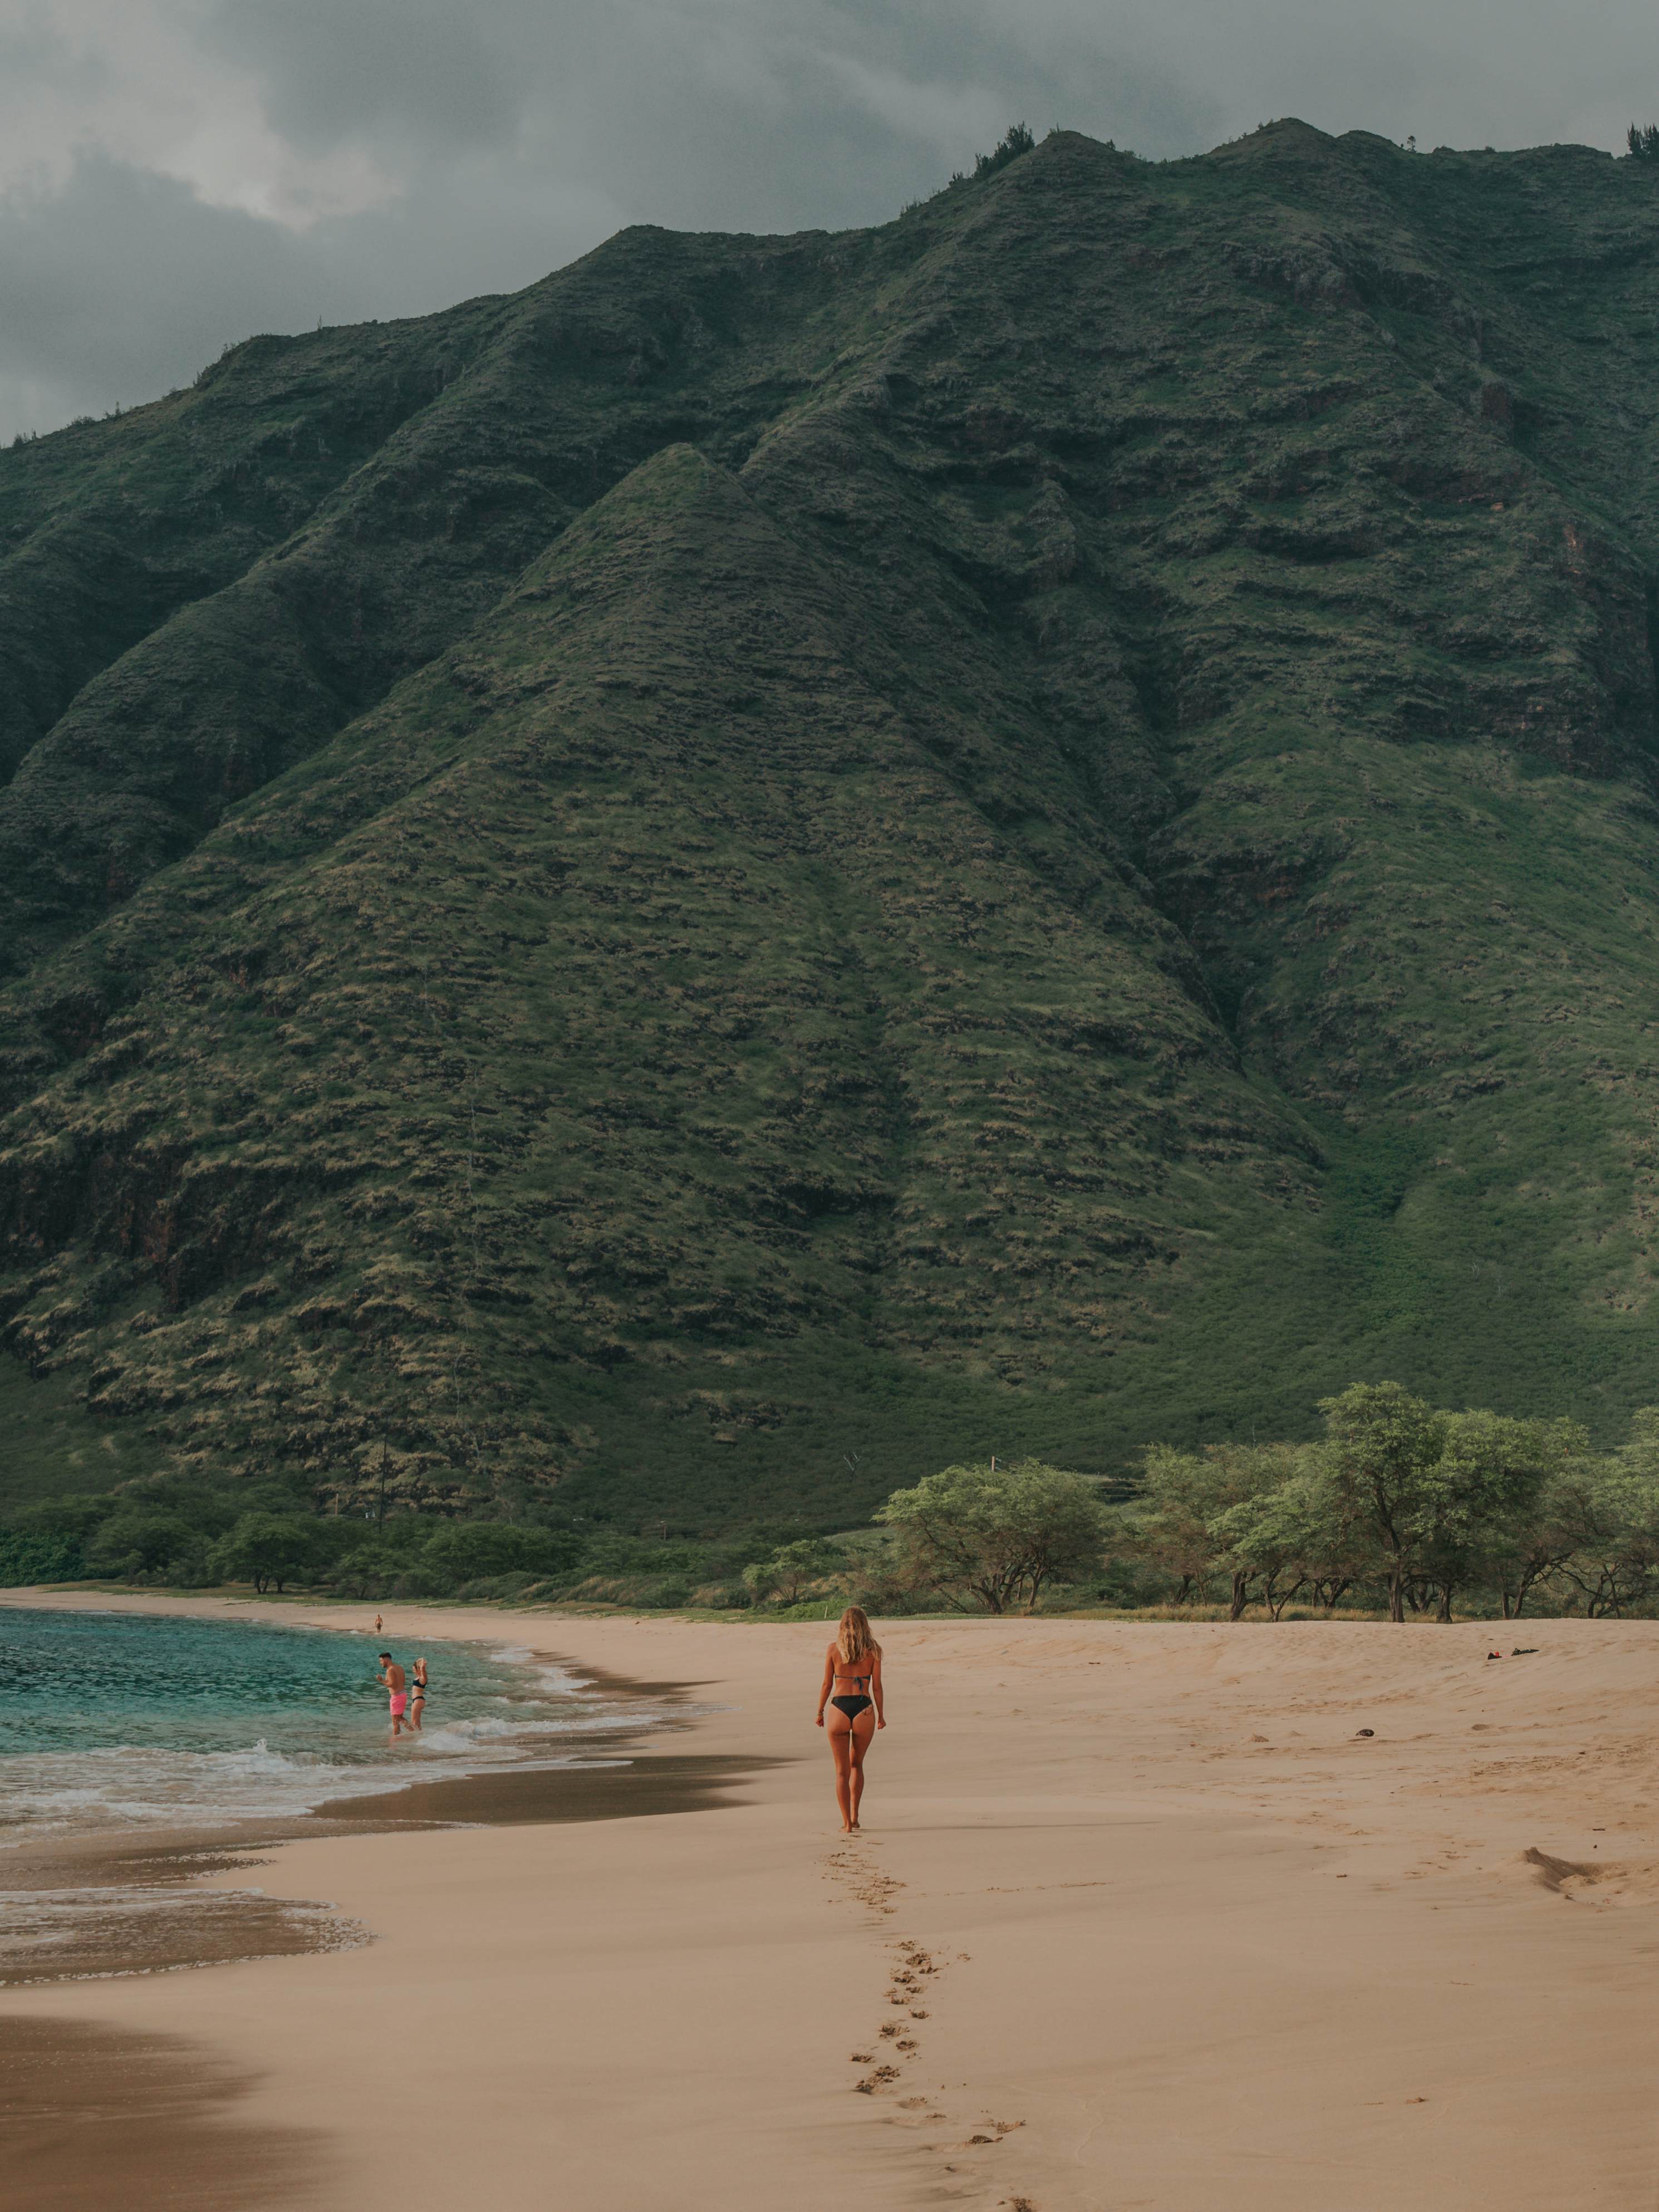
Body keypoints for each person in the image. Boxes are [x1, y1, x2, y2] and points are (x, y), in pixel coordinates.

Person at [815, 1606, 884, 1832]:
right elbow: (877, 1687)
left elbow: (827, 1684)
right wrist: (881, 1715)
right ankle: (855, 1816)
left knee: (841, 1771)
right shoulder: (873, 1650)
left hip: (839, 1709)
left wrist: (820, 1712)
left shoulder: (833, 1649)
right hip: (864, 1708)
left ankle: (846, 1824)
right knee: (857, 1765)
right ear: (865, 1625)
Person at [376, 1652, 415, 1738]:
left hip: (397, 1697)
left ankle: (395, 1740)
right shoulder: (399, 1667)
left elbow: (392, 1684)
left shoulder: (390, 1670)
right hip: (403, 1695)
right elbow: (403, 1681)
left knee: (395, 1721)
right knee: (400, 1718)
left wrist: (382, 1680)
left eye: (381, 1661)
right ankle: (413, 1733)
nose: (381, 1663)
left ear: (386, 1660)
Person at [410, 1656, 428, 1731]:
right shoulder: (418, 1677)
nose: (413, 1671)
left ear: (419, 1669)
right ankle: (420, 1736)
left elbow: (423, 1668)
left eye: (414, 1670)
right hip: (417, 1701)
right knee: (417, 1723)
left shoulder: (423, 1678)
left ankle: (415, 1737)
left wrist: (421, 1660)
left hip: (418, 1700)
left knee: (414, 1723)